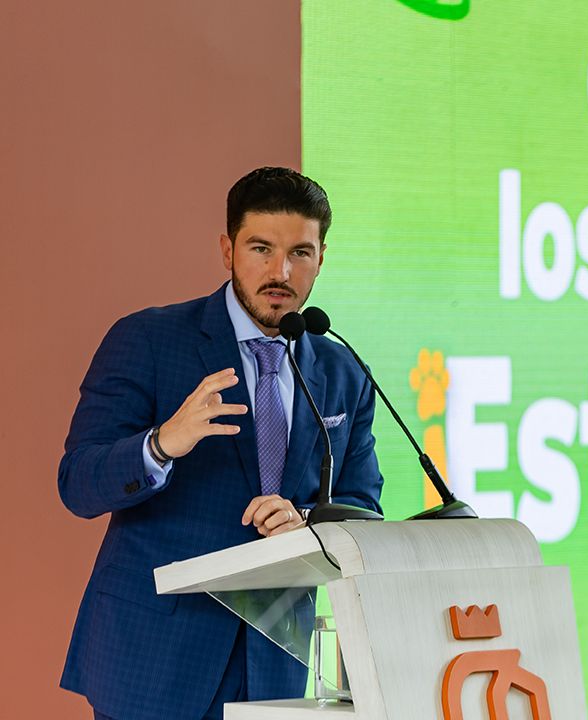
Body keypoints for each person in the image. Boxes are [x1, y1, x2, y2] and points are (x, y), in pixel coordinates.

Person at [57, 167, 384, 719]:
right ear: (227, 250)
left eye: (300, 253)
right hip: (152, 659)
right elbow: (78, 485)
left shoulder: (344, 370)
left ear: (321, 258)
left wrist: (305, 524)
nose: (281, 272)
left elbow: (364, 512)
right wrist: (161, 444)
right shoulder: (150, 339)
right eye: (262, 248)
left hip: (273, 665)